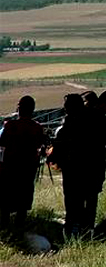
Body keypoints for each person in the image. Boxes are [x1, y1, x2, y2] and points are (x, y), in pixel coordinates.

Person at [51, 94, 94, 237]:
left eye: (67, 104)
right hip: (84, 165)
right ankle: (79, 226)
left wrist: (55, 149)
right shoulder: (88, 120)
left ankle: (73, 226)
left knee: (72, 197)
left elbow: (67, 141)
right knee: (79, 197)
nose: (65, 107)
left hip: (74, 165)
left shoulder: (73, 122)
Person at [0, 95, 45, 231]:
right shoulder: (37, 128)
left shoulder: (9, 126)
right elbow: (39, 145)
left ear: (19, 109)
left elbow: (1, 144)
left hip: (10, 168)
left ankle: (4, 226)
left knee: (6, 199)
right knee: (23, 199)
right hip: (28, 168)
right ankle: (19, 227)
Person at [83, 90, 106, 231]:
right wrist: (104, 150)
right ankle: (88, 227)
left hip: (82, 162)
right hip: (95, 163)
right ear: (103, 103)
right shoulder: (102, 120)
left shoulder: (83, 116)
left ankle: (77, 226)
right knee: (91, 199)